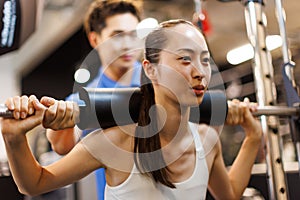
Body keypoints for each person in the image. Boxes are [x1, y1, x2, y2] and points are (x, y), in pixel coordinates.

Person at [1, 19, 262, 199]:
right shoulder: (117, 142)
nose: (200, 72)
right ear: (151, 69)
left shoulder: (207, 140)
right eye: (185, 59)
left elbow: (229, 194)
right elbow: (35, 183)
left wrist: (253, 137)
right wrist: (14, 137)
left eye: (205, 60)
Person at [45, 1, 142, 199]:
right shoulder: (85, 99)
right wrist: (56, 124)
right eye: (117, 35)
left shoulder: (161, 84)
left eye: (133, 35)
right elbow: (61, 146)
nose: (128, 44)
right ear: (95, 39)